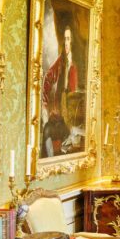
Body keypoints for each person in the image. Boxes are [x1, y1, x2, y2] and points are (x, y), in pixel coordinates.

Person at [41, 25, 79, 156]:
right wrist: (46, 108)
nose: (66, 43)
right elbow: (47, 78)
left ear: (72, 41)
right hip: (58, 116)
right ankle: (50, 160)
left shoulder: (75, 64)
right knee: (47, 131)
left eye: (69, 39)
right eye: (65, 39)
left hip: (72, 116)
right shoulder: (60, 62)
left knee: (70, 139)